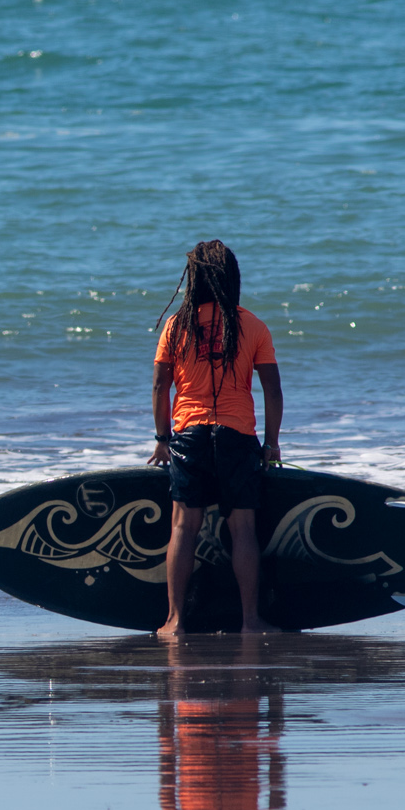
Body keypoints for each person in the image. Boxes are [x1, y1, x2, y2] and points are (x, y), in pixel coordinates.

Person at [147, 240, 283, 636]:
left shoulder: (176, 326)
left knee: (183, 528)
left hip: (189, 434)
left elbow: (160, 387)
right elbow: (273, 391)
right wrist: (271, 445)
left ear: (193, 280)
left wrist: (162, 438)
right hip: (237, 435)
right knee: (242, 529)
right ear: (231, 278)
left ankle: (174, 622)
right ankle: (251, 621)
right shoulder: (253, 325)